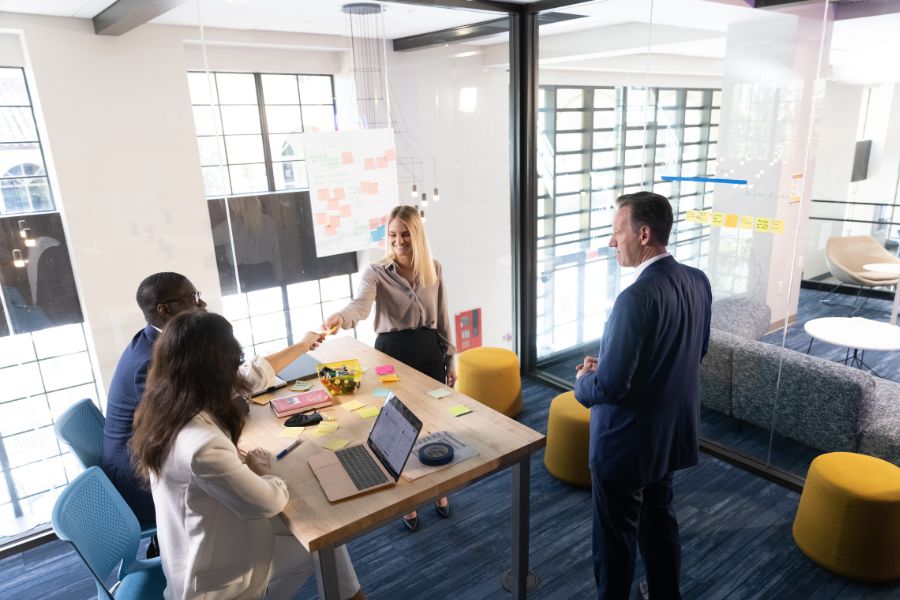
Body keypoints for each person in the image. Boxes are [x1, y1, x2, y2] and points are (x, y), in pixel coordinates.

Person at [130, 311, 364, 600]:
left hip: (201, 545)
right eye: (232, 359)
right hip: (215, 580)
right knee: (317, 536)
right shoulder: (201, 445)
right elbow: (269, 502)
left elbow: (253, 373)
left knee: (324, 544)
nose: (237, 366)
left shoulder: (168, 405)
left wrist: (303, 345)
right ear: (215, 367)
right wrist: (263, 470)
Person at [100, 272, 324, 534]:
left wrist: (302, 346)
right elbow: (194, 417)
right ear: (164, 310)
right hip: (144, 482)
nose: (202, 304)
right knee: (290, 492)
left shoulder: (167, 344)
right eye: (192, 298)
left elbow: (237, 379)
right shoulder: (148, 364)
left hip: (162, 466)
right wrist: (230, 406)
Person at [574, 192, 712, 600]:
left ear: (645, 233)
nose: (613, 242)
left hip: (626, 444)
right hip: (667, 436)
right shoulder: (697, 281)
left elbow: (610, 387)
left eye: (618, 233)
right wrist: (616, 365)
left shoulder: (634, 298)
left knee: (615, 543)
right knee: (659, 523)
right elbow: (692, 352)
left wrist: (584, 379)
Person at [322, 205, 455, 532]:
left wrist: (451, 358)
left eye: (405, 234)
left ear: (417, 235)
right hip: (392, 355)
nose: (399, 241)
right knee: (397, 428)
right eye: (393, 235)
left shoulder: (434, 269)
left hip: (428, 352)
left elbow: (443, 316)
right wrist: (342, 317)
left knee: (433, 424)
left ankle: (438, 489)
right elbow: (361, 306)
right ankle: (407, 502)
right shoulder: (376, 272)